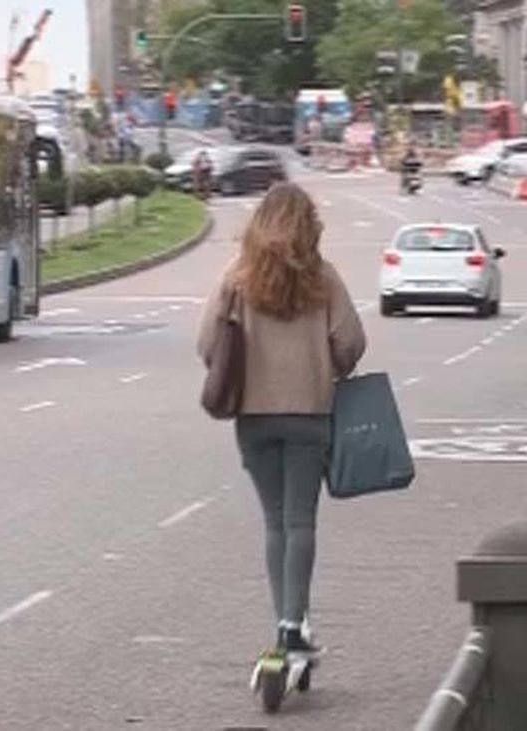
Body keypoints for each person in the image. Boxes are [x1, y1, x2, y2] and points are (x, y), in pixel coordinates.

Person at [196, 182, 367, 685]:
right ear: (309, 225)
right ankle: (293, 626)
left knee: (274, 523)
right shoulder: (323, 278)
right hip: (310, 415)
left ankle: (286, 625)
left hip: (254, 415)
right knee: (301, 522)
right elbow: (351, 344)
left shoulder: (238, 277)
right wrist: (323, 358)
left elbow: (207, 343)